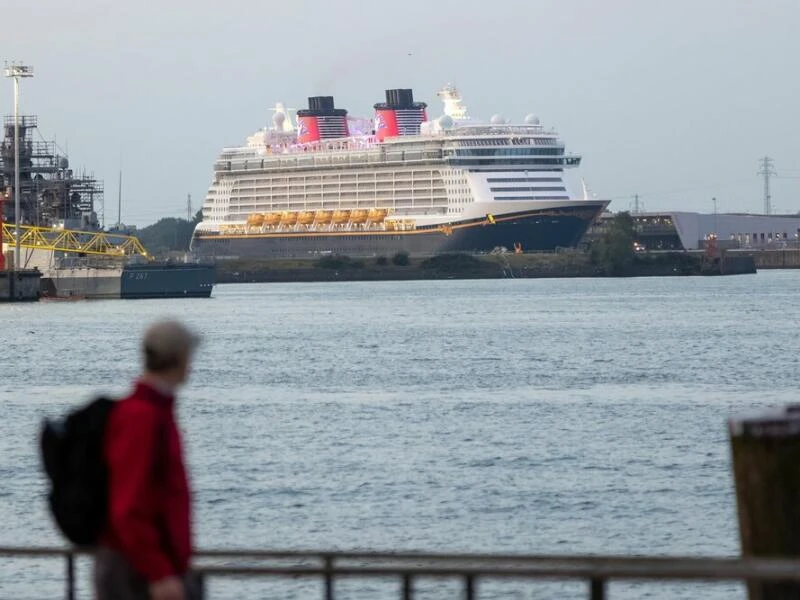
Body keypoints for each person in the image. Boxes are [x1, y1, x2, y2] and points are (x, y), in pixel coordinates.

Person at [94, 319, 201, 600]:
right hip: (139, 572)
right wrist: (159, 573)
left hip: (154, 566)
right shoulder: (142, 417)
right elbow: (128, 507)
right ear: (177, 359)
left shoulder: (155, 412)